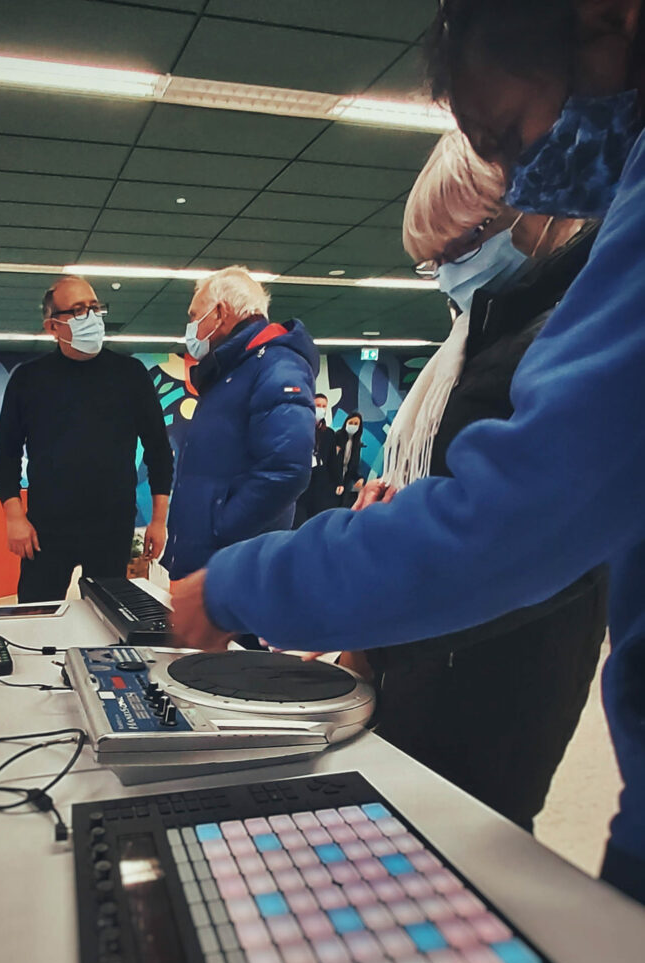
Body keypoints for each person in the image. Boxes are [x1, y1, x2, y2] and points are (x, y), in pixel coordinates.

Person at [172, 0, 645, 904]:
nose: (518, 171)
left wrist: (240, 585)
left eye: (508, 132)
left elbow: (512, 518)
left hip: (495, 675)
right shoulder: (506, 318)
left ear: (603, 23)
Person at [354, 129, 605, 831]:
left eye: (459, 247)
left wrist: (365, 631)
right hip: (438, 656)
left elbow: (510, 545)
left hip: (503, 678)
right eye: (429, 261)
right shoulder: (486, 336)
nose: (444, 275)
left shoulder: (567, 346)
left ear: (543, 211)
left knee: (465, 851)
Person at [0, 275, 173, 602]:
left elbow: (159, 451)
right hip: (46, 528)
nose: (90, 317)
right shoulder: (29, 380)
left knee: (110, 619)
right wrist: (14, 517)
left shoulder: (130, 374)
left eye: (94, 307)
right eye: (77, 310)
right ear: (53, 327)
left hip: (112, 526)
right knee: (35, 618)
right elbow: (5, 455)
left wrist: (159, 520)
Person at [161, 266, 318, 583]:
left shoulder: (277, 365)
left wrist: (219, 528)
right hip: (210, 561)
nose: (190, 327)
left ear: (220, 313)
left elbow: (287, 469)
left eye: (194, 316)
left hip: (235, 567)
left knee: (234, 636)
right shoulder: (231, 371)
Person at [293, 394, 339, 526]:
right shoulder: (299, 429)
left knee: (317, 519)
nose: (321, 409)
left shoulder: (329, 433)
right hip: (302, 479)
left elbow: (332, 460)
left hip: (320, 481)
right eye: (318, 405)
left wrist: (338, 481)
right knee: (299, 519)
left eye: (324, 406)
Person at [334, 411, 366, 508]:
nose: (353, 426)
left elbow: (353, 466)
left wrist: (359, 478)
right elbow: (332, 462)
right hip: (333, 479)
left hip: (346, 482)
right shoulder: (337, 436)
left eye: (356, 424)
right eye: (351, 423)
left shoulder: (357, 444)